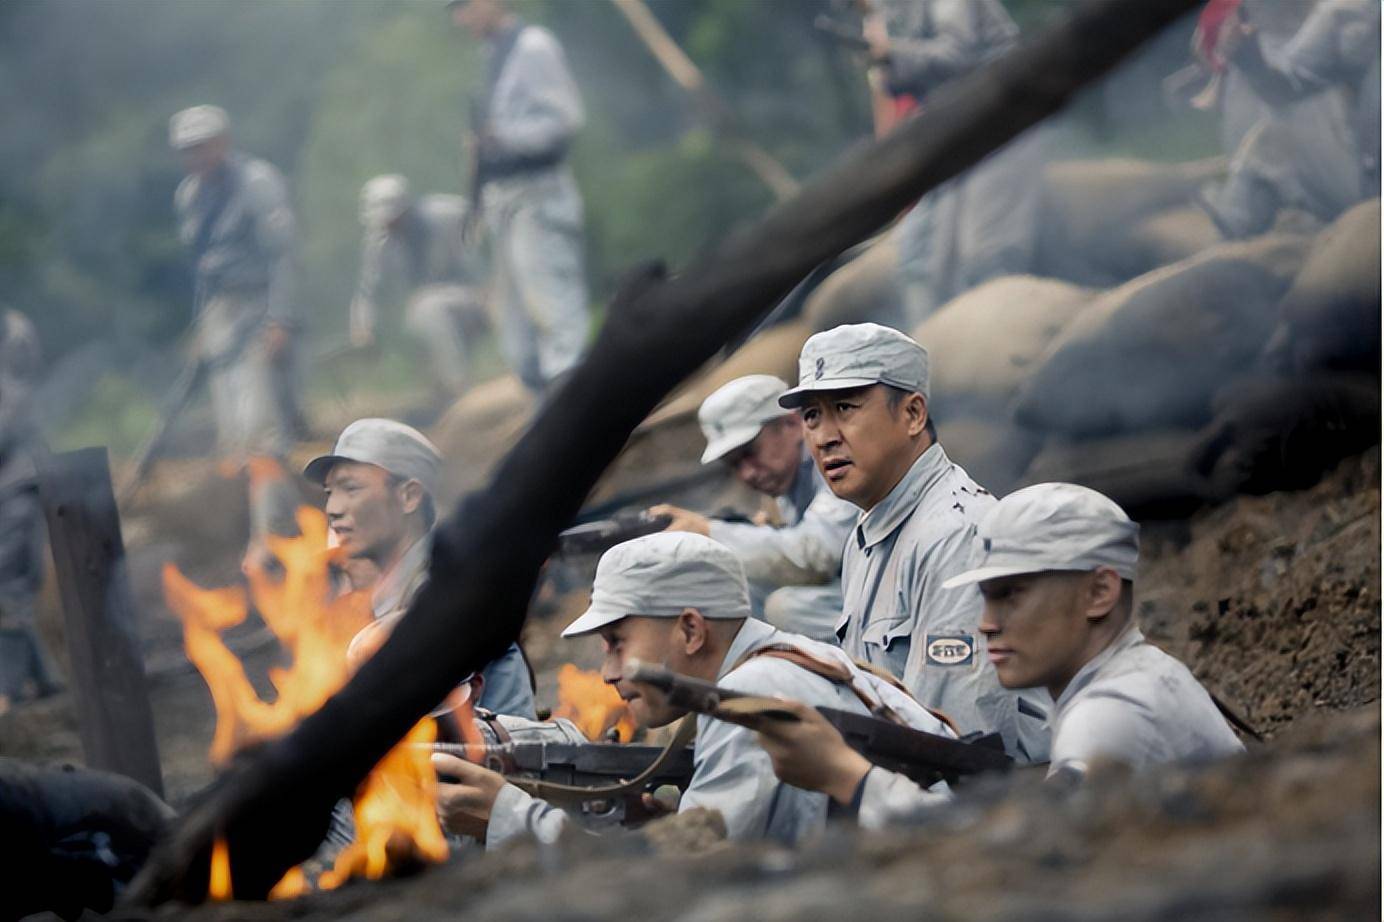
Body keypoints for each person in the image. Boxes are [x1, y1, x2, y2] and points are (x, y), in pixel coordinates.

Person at [752, 483, 1246, 826]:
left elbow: (1020, 857)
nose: (986, 622)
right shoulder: (1133, 676)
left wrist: (850, 778)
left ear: (1100, 592)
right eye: (985, 596)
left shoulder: (1111, 713)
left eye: (1011, 594)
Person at [430, 531, 953, 848]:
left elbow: (684, 885)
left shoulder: (752, 692)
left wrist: (511, 819)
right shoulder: (790, 660)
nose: (609, 673)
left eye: (617, 642)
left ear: (690, 630)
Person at [778, 323, 1050, 762]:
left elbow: (960, 745)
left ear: (912, 415)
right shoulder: (868, 531)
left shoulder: (955, 535)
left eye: (845, 407)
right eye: (812, 416)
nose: (825, 436)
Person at [303, 417, 534, 718]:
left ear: (409, 496)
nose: (333, 508)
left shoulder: (447, 596)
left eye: (351, 488)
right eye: (329, 492)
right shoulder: (385, 596)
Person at [862, 0, 1047, 323]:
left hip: (999, 122)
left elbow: (957, 55)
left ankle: (997, 337)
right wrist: (882, 60)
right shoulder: (893, 13)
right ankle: (933, 342)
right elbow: (904, 85)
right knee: (919, 255)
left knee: (985, 253)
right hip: (952, 130)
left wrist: (891, 52)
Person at [449, 0, 591, 392]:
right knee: (516, 330)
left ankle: (573, 402)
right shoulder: (492, 53)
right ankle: (545, 409)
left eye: (465, 6)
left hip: (538, 193)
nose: (461, 18)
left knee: (554, 314)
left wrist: (503, 137)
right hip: (504, 200)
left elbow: (564, 120)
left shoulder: (533, 47)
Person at [650, 375, 856, 642]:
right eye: (734, 464)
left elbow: (817, 553)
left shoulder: (834, 459)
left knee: (787, 607)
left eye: (750, 452)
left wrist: (710, 532)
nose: (746, 473)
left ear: (792, 423)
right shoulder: (785, 486)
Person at [169, 104, 303, 458]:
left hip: (259, 297)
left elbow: (282, 256)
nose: (195, 156)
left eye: (201, 146)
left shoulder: (257, 182)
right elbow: (201, 266)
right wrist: (201, 324)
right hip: (220, 306)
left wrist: (280, 318)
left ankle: (270, 481)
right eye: (187, 149)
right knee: (227, 404)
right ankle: (239, 472)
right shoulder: (189, 195)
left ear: (222, 142)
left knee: (259, 405)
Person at [1197, 0, 1380, 238]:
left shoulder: (1349, 11)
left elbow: (1287, 84)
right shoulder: (1349, 12)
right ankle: (1237, 229)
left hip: (1371, 187)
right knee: (1270, 140)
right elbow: (1288, 84)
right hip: (1370, 182)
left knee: (1269, 143)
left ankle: (1235, 227)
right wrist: (1249, 58)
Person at [350, 175, 489, 406]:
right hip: (432, 304)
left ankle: (460, 389)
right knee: (422, 312)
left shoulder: (446, 214)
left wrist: (491, 286)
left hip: (476, 294)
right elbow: (368, 290)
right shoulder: (380, 242)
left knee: (426, 307)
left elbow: (484, 246)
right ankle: (442, 391)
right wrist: (363, 327)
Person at [0, 310, 61, 708]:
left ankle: (5, 689)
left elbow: (11, 416)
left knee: (9, 585)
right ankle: (45, 677)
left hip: (17, 480)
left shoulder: (13, 333)